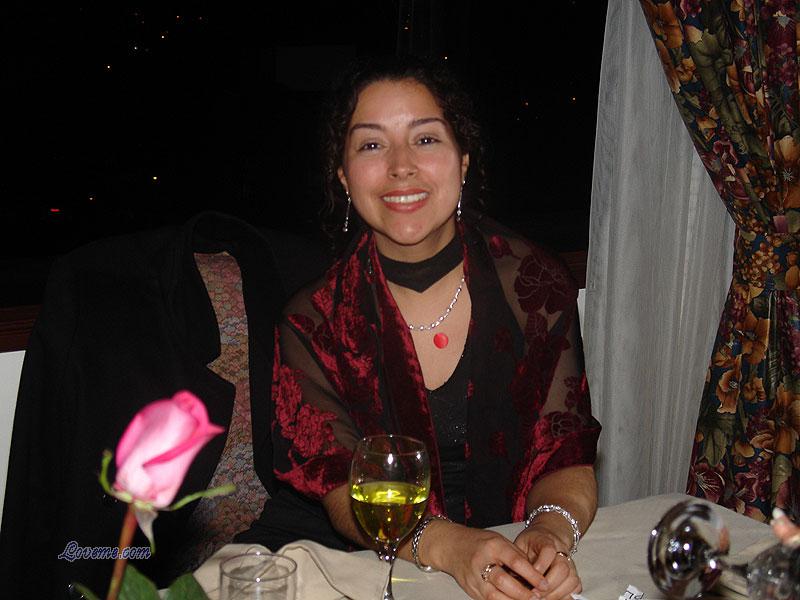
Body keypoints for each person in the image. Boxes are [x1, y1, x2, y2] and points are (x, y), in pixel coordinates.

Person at [241, 56, 601, 600]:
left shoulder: (534, 286)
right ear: (343, 176)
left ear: (463, 161)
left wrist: (549, 532)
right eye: (371, 145)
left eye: (426, 139)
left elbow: (565, 451)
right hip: (347, 559)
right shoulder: (313, 320)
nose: (401, 166)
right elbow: (340, 489)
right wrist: (450, 547)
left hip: (498, 551)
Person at [0, 212, 330, 597]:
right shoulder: (90, 284)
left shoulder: (319, 291)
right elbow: (38, 473)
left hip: (285, 551)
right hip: (133, 561)